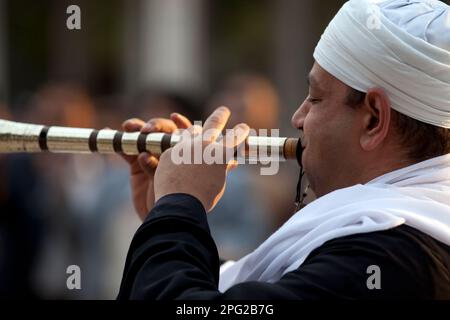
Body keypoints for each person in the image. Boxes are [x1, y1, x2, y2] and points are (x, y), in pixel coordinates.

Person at [117, 0, 450, 299]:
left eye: (316, 98)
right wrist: (165, 221)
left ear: (373, 119)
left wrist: (178, 206)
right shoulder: (403, 243)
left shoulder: (387, 259)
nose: (298, 117)